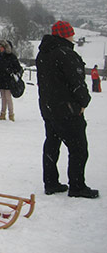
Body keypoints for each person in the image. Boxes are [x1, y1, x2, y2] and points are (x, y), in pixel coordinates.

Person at [36, 20, 98, 198]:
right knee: (78, 148)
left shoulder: (43, 54)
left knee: (52, 144)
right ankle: (77, 186)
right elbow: (76, 82)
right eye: (71, 33)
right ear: (65, 35)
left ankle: (51, 182)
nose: (73, 36)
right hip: (67, 109)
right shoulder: (66, 54)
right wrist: (84, 101)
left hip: (48, 108)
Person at [0, 40, 22, 121]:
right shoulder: (1, 56)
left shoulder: (12, 56)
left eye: (1, 47)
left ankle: (11, 114)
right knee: (3, 97)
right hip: (2, 79)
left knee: (8, 97)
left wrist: (9, 71)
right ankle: (3, 113)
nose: (0, 49)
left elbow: (18, 68)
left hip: (8, 80)